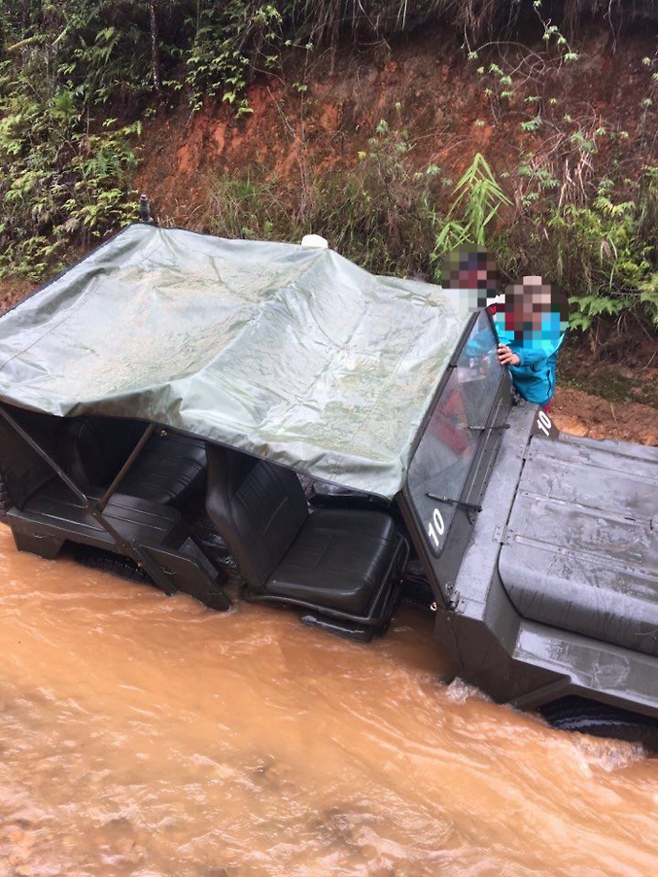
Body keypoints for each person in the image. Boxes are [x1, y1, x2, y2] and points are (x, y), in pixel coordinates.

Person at [495, 277, 569, 411]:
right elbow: (487, 337)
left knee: (534, 417)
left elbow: (544, 349)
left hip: (536, 390)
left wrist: (518, 357)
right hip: (507, 384)